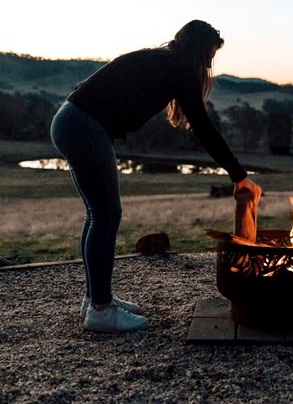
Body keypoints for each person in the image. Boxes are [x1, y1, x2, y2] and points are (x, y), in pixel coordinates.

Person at [50, 20, 262, 333]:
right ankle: (101, 310)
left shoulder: (162, 62)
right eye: (209, 57)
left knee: (97, 215)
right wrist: (239, 176)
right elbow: (204, 128)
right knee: (106, 215)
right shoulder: (177, 68)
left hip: (70, 121)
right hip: (83, 126)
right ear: (199, 51)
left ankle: (96, 298)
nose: (208, 65)